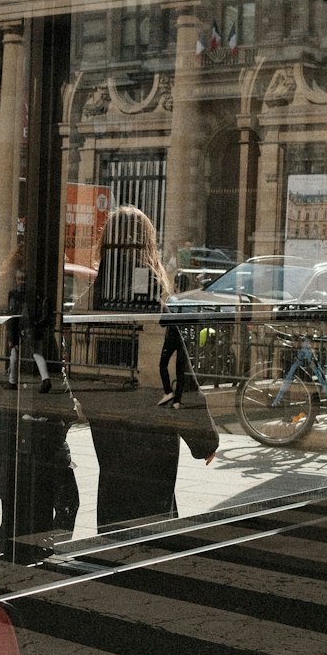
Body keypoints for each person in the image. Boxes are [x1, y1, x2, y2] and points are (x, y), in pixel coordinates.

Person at [74, 205, 218, 532]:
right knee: (153, 498)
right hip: (150, 414)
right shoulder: (150, 295)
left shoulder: (91, 296)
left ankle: (112, 555)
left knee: (114, 487)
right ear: (145, 243)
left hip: (106, 412)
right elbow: (177, 372)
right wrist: (204, 439)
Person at [6, 266, 52, 392]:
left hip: (21, 327)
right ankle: (45, 379)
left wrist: (11, 335)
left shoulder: (15, 293)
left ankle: (12, 381)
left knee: (14, 353)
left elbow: (13, 314)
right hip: (36, 327)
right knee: (37, 353)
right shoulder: (36, 291)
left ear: (17, 279)